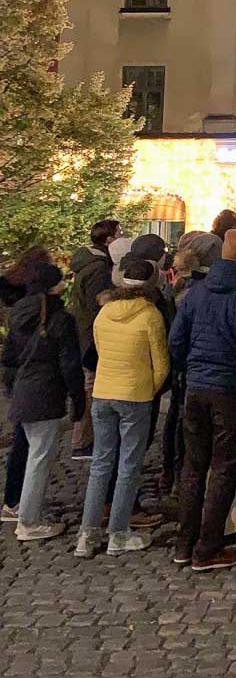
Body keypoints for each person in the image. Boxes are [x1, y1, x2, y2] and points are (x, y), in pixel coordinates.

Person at [169, 228, 236, 572]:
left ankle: (184, 543)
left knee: (193, 466)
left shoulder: (197, 291)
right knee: (225, 467)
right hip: (232, 389)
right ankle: (208, 547)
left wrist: (189, 370)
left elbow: (176, 341)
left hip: (197, 386)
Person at [74, 257, 170, 557]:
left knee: (101, 464)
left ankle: (87, 534)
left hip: (103, 392)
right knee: (128, 465)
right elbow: (161, 363)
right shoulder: (151, 315)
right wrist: (149, 388)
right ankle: (118, 532)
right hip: (135, 394)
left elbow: (100, 352)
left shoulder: (104, 312)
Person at [2, 259, 85, 540]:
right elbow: (69, 364)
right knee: (39, 459)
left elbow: (10, 357)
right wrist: (78, 398)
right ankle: (28, 521)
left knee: (33, 455)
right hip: (46, 393)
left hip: (24, 390)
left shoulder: (19, 315)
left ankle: (25, 513)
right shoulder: (60, 319)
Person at [163, 232, 222, 491]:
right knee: (188, 424)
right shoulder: (199, 288)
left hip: (185, 364)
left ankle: (173, 472)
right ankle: (182, 476)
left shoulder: (182, 284)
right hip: (194, 365)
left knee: (179, 418)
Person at [1, 247, 50, 523]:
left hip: (16, 375)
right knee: (28, 444)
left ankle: (15, 498)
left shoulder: (13, 296)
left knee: (22, 438)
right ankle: (17, 503)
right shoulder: (36, 306)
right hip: (32, 378)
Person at [69, 218, 121, 460]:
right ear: (109, 240)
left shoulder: (88, 262)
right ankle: (82, 441)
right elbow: (97, 305)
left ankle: (83, 439)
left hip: (85, 333)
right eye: (119, 233)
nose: (121, 237)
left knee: (89, 386)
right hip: (91, 336)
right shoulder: (98, 268)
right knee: (91, 387)